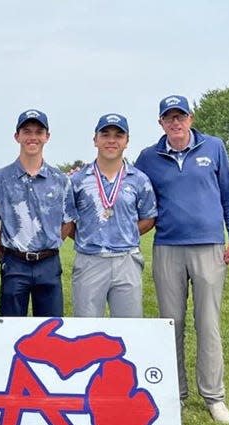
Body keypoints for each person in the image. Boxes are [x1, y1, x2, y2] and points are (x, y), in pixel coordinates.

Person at [134, 95, 229, 424]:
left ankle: (214, 396)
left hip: (209, 247)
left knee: (207, 323)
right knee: (173, 324)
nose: (175, 122)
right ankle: (175, 393)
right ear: (161, 123)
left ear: (190, 118)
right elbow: (131, 190)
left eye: (180, 116)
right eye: (169, 118)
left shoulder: (213, 148)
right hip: (167, 246)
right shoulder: (148, 157)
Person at [0, 109, 76, 317]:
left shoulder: (61, 180)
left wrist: (51, 243)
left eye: (38, 132)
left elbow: (68, 221)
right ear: (17, 136)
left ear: (47, 136)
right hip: (14, 262)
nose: (33, 137)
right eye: (27, 131)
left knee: (50, 328)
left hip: (49, 263)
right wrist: (3, 256)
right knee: (10, 327)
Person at [70, 114, 157, 318]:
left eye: (118, 135)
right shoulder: (78, 180)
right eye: (105, 134)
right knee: (86, 330)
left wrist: (124, 233)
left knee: (129, 329)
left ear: (126, 141)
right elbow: (67, 220)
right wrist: (87, 235)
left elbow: (149, 217)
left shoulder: (139, 179)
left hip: (126, 260)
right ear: (95, 140)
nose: (111, 140)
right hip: (89, 260)